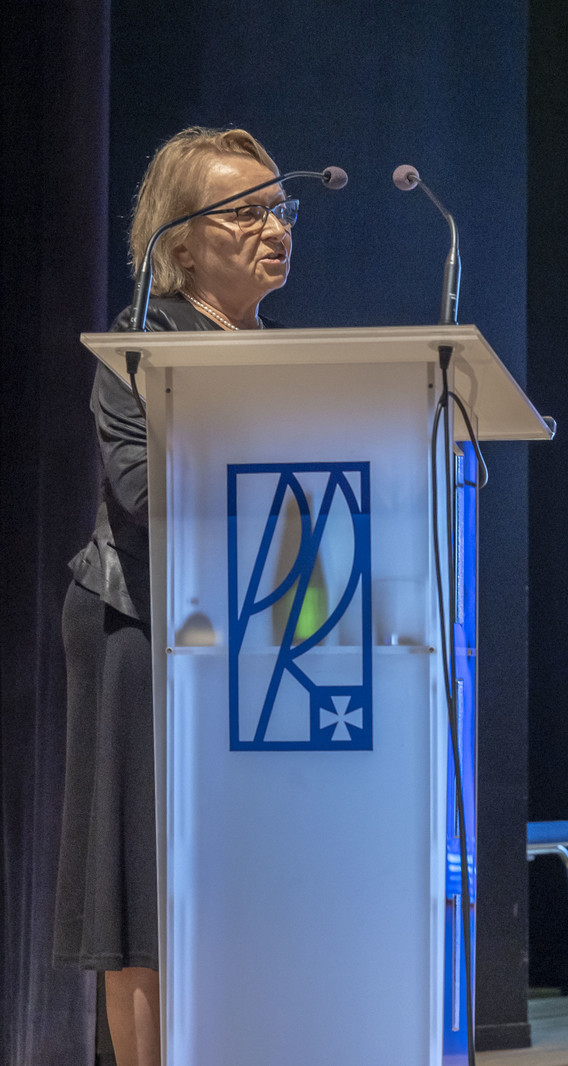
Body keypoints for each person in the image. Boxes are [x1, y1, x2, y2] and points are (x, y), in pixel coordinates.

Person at [55, 126, 294, 1066]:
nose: (275, 228)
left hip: (250, 638)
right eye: (248, 213)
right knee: (138, 886)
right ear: (182, 244)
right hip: (138, 628)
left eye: (281, 209)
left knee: (232, 875)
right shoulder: (141, 345)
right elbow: (145, 492)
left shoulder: (294, 356)